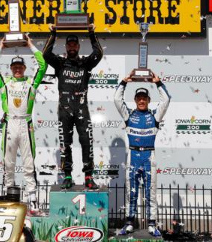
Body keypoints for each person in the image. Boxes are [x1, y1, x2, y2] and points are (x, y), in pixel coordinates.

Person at [0, 36, 47, 214]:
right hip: (10, 124)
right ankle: (10, 198)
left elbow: (43, 66)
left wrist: (30, 45)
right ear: (11, 69)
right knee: (9, 164)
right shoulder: (4, 81)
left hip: (26, 124)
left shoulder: (32, 82)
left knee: (29, 164)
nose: (18, 69)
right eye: (15, 67)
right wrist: (0, 48)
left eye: (21, 67)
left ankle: (33, 201)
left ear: (25, 68)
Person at [43, 25, 103, 190]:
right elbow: (46, 54)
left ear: (78, 46)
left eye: (74, 44)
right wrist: (53, 33)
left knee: (86, 142)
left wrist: (91, 33)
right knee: (65, 144)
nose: (71, 47)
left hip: (82, 109)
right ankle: (67, 176)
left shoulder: (85, 63)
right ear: (66, 47)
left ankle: (89, 177)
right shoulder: (60, 63)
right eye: (69, 44)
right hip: (64, 109)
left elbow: (98, 53)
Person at [114, 71, 171, 236]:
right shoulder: (129, 115)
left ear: (148, 100)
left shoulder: (154, 116)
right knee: (131, 191)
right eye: (138, 98)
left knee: (150, 191)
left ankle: (152, 224)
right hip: (133, 156)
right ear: (135, 100)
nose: (141, 100)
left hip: (148, 156)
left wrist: (158, 83)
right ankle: (129, 222)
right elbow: (117, 100)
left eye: (144, 98)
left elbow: (166, 100)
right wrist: (124, 82)